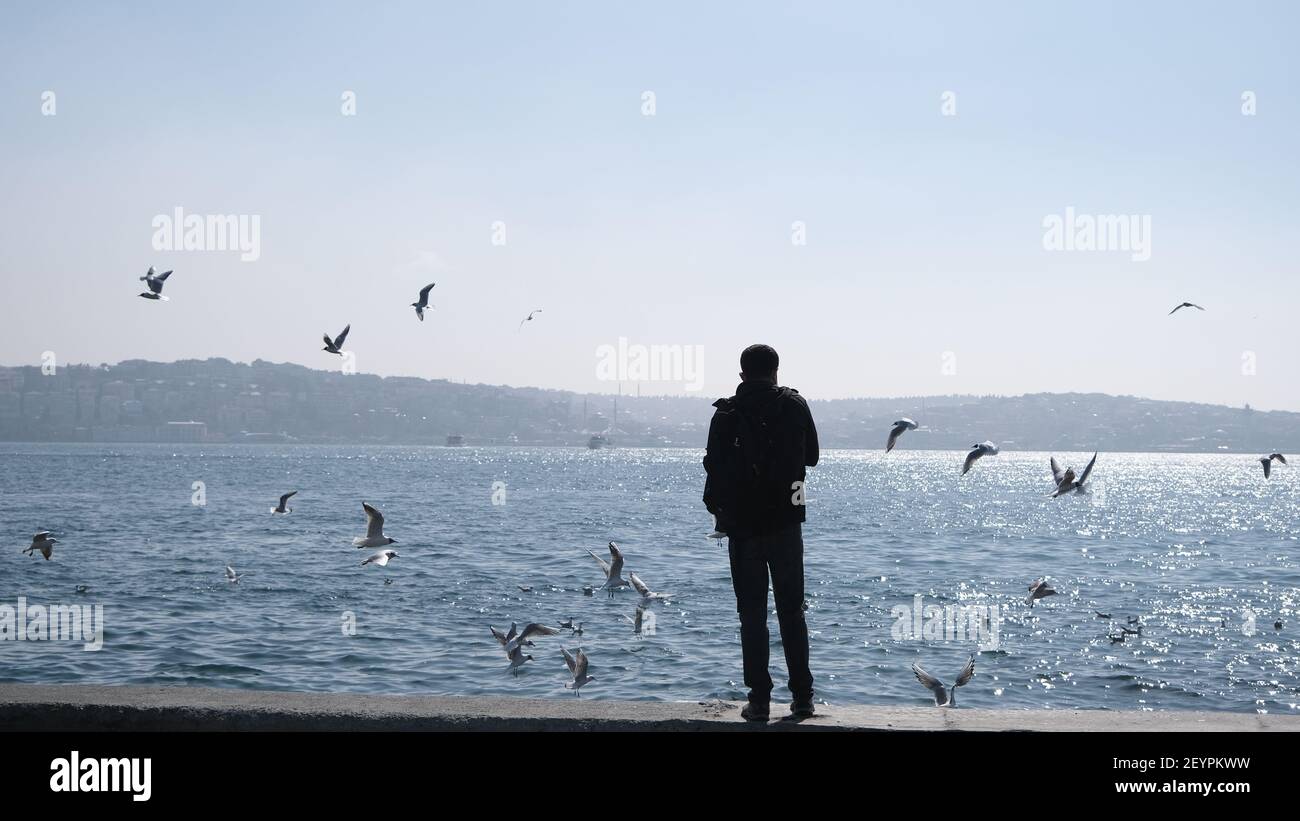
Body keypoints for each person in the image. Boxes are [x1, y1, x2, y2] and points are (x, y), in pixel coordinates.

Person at [703, 343, 819, 721]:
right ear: (776, 372)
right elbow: (813, 457)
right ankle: (802, 698)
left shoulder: (726, 414)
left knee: (751, 617)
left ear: (742, 374)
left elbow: (714, 471)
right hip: (786, 524)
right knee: (792, 613)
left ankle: (760, 701)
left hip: (744, 529)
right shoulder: (795, 405)